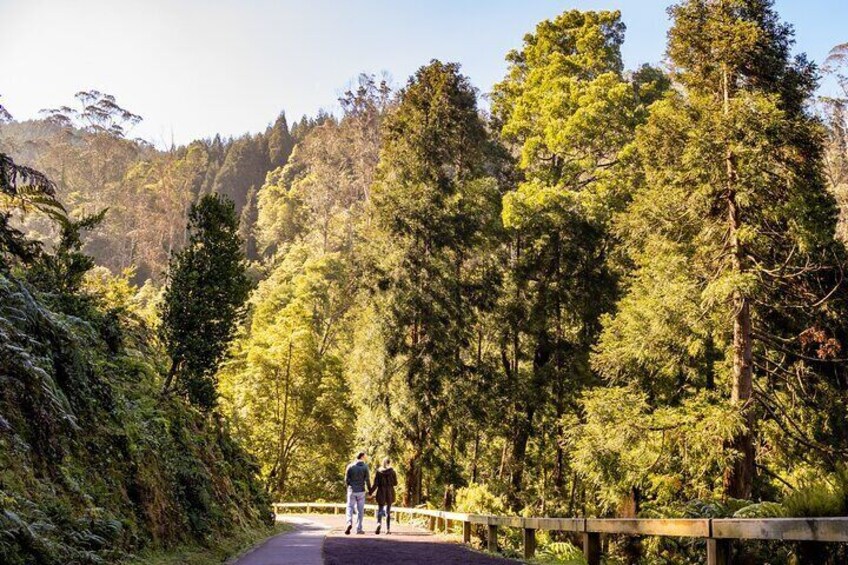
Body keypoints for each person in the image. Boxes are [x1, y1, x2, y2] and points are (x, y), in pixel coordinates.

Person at [369, 456, 398, 535]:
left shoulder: (379, 472)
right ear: (389, 463)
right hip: (389, 492)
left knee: (380, 509)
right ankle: (388, 529)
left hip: (381, 491)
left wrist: (370, 492)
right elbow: (395, 483)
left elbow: (375, 484)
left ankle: (379, 523)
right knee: (388, 511)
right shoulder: (392, 472)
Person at [344, 452, 371, 535]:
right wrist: (370, 491)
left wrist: (349, 487)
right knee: (360, 510)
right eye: (364, 456)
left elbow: (346, 480)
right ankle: (359, 529)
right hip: (361, 491)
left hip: (352, 490)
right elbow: (367, 480)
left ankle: (349, 523)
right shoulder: (365, 467)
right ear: (362, 457)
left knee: (349, 507)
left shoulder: (350, 466)